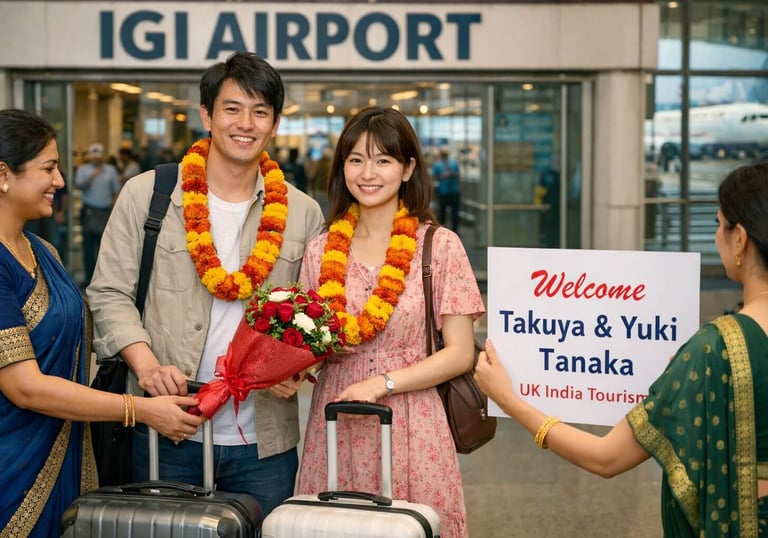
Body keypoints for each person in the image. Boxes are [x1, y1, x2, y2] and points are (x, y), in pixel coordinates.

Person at [86, 52, 325, 516]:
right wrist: (149, 367)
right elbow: (109, 291)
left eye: (260, 112)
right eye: (232, 108)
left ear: (274, 124)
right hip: (168, 423)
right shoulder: (148, 195)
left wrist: (296, 366)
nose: (245, 123)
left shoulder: (302, 212)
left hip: (265, 442)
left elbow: (313, 313)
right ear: (206, 115)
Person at [474, 161, 768, 537]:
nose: (715, 237)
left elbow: (607, 458)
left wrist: (507, 397)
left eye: (717, 223)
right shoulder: (708, 354)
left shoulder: (714, 351)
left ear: (740, 238)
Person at [0, 109, 204, 537]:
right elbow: (23, 385)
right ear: (3, 174)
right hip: (11, 463)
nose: (59, 181)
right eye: (48, 168)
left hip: (65, 452)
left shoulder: (43, 252)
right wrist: (141, 410)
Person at [296, 106, 485, 538]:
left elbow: (459, 353)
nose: (368, 173)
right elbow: (310, 344)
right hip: (337, 421)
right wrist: (297, 365)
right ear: (341, 166)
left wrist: (384, 383)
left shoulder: (439, 247)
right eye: (356, 159)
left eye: (383, 160)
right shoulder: (320, 250)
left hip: (412, 422)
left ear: (407, 169)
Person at [74, 142, 121, 286]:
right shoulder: (83, 170)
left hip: (105, 212)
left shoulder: (111, 170)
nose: (97, 159)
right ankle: (89, 278)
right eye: (94, 157)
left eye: (99, 157)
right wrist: (92, 175)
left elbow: (115, 191)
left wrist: (114, 211)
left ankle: (103, 279)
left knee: (105, 247)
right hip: (89, 211)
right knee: (88, 247)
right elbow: (79, 185)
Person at [432, 147, 461, 232]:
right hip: (445, 191)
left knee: (452, 213)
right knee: (443, 212)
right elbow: (435, 177)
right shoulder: (439, 164)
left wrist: (451, 174)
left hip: (450, 191)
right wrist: (443, 176)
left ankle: (453, 231)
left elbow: (458, 175)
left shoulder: (452, 163)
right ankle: (443, 231)